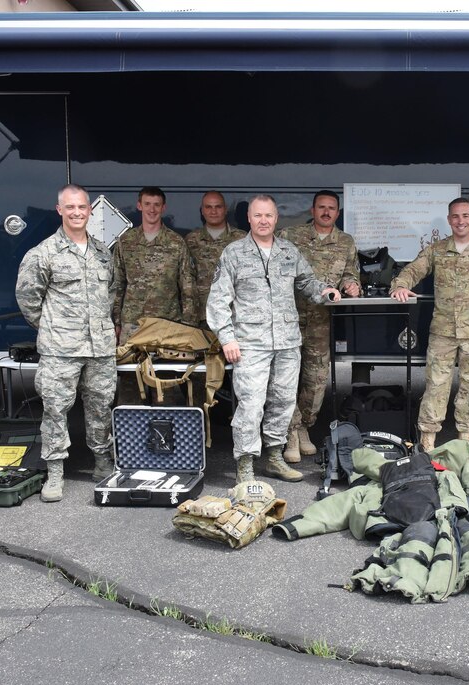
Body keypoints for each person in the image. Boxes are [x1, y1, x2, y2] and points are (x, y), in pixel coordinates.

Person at [206, 194, 341, 484]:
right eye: (258, 216)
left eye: (268, 216)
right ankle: (245, 466)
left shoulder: (289, 251)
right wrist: (227, 338)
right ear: (249, 219)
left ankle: (275, 458)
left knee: (282, 401)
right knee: (251, 405)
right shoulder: (234, 253)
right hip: (250, 343)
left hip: (287, 342)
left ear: (276, 218)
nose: (263, 221)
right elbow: (218, 299)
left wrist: (325, 291)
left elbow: (306, 282)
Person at [15, 184, 117, 503]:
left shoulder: (103, 253)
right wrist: (52, 328)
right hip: (61, 350)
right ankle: (55, 473)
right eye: (70, 207)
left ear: (90, 211)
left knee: (101, 407)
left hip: (100, 348)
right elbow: (28, 298)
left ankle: (103, 464)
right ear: (60, 210)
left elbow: (111, 293)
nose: (77, 213)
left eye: (82, 207)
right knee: (56, 409)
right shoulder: (42, 253)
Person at [390, 197, 469, 465]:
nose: (461, 221)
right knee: (436, 386)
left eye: (465, 216)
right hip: (443, 332)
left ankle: (466, 444)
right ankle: (427, 442)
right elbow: (413, 269)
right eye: (455, 216)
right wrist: (400, 284)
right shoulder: (437, 250)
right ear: (449, 219)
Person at [278, 190, 361, 463]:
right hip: (288, 319)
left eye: (331, 208)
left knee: (315, 381)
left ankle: (304, 426)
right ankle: (291, 433)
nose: (326, 212)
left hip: (320, 323)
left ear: (338, 213)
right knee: (287, 378)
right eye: (321, 207)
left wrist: (352, 285)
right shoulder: (290, 237)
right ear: (312, 210)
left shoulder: (346, 242)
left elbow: (351, 272)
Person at [111, 186, 196, 344]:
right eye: (147, 203)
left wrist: (188, 324)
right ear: (139, 206)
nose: (152, 209)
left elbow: (187, 287)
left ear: (163, 208)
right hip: (132, 324)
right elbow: (117, 284)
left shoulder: (176, 242)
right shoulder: (126, 241)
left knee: (167, 368)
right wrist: (116, 322)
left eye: (157, 204)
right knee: (130, 369)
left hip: (168, 323)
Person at [183, 190, 247, 328]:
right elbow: (185, 280)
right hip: (200, 317)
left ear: (225, 210)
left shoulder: (242, 239)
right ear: (202, 211)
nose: (213, 211)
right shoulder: (190, 240)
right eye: (208, 207)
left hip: (234, 317)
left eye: (218, 207)